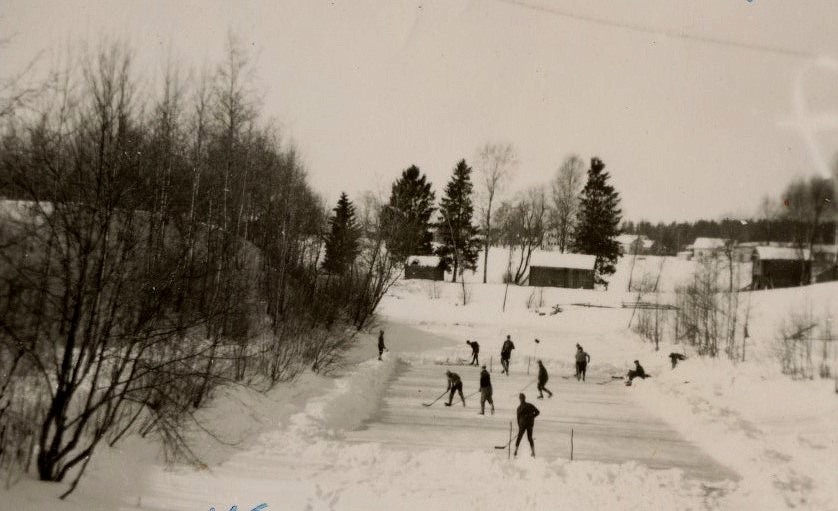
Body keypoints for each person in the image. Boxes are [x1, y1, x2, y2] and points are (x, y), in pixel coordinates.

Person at [514, 393, 540, 457]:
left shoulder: (519, 408)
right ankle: (533, 452)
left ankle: (516, 451)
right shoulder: (530, 405)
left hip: (523, 424)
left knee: (519, 437)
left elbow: (518, 418)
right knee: (530, 438)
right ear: (524, 398)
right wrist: (532, 416)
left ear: (520, 399)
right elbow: (538, 412)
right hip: (530, 424)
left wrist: (519, 426)